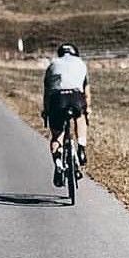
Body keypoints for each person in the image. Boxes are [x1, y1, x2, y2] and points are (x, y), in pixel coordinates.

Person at [42, 43, 91, 186]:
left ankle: (58, 163)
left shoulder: (53, 64)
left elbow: (48, 92)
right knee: (80, 117)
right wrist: (87, 108)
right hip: (76, 97)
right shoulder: (81, 64)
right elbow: (86, 92)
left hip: (58, 99)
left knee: (57, 136)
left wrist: (46, 110)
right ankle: (81, 147)